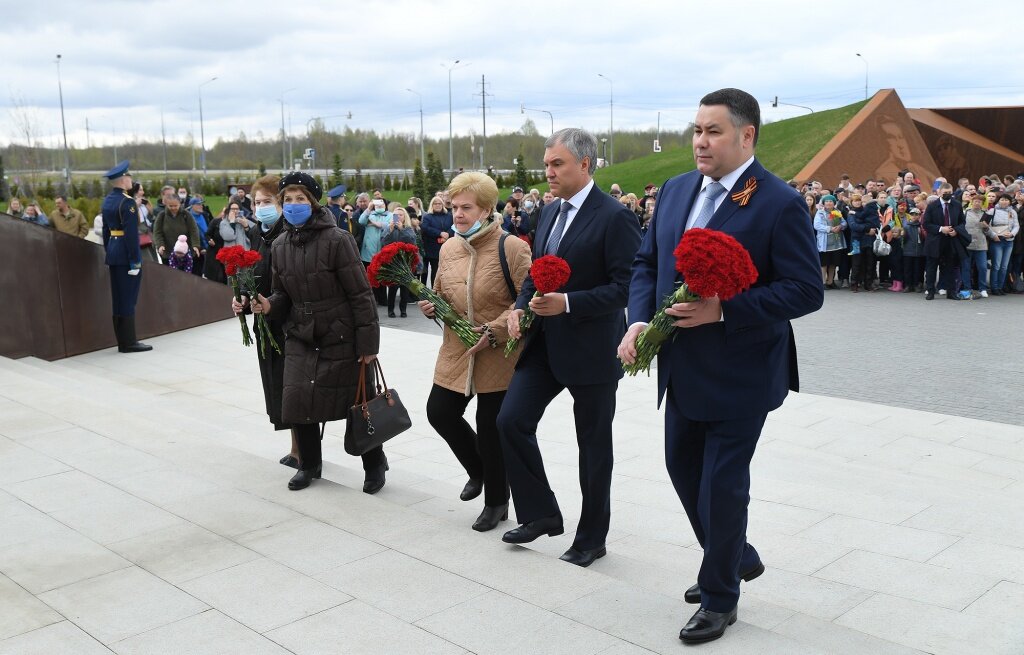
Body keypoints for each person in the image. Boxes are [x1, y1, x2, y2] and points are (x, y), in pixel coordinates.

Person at [619, 88, 823, 644]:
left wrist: (724, 310)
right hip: (679, 365)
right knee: (682, 469)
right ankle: (736, 554)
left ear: (747, 135)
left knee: (723, 484)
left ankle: (719, 596)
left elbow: (806, 291)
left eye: (713, 131)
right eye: (697, 130)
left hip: (743, 369)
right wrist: (638, 322)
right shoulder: (679, 189)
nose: (700, 142)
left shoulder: (777, 201)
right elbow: (647, 264)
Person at [496, 128, 641, 568]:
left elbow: (625, 287)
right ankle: (541, 513)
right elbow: (535, 275)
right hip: (544, 342)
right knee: (511, 420)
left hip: (593, 350)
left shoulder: (615, 217)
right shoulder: (549, 212)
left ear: (585, 164)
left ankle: (592, 537)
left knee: (593, 446)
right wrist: (521, 306)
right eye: (546, 164)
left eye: (557, 164)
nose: (549, 172)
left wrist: (570, 303)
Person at [250, 172, 387, 493]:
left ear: (312, 203)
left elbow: (360, 295)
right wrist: (268, 305)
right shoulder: (281, 244)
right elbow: (282, 293)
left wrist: (369, 344)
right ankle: (309, 464)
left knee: (358, 405)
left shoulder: (338, 240)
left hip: (340, 336)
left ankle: (375, 462)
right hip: (300, 335)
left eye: (300, 199)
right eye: (288, 200)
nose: (293, 205)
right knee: (298, 401)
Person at [419, 172, 532, 532]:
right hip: (457, 349)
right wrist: (432, 305)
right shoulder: (448, 248)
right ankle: (480, 471)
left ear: (486, 209)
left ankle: (497, 502)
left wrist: (496, 330)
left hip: (498, 354)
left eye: (466, 208)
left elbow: (526, 301)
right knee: (439, 411)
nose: (458, 214)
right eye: (454, 207)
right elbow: (439, 290)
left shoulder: (511, 246)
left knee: (490, 426)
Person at [230, 175, 303, 472]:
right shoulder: (261, 236)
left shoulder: (289, 234)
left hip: (288, 322)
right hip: (267, 323)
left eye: (267, 202)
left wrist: (269, 302)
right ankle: (297, 447)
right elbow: (257, 276)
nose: (261, 208)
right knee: (279, 386)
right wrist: (244, 300)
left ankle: (303, 450)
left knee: (293, 387)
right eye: (256, 202)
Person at [100, 161, 152, 353]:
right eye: (129, 177)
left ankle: (123, 341)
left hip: (114, 253)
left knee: (118, 298)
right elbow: (131, 235)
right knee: (128, 298)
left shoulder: (108, 200)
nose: (131, 180)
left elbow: (106, 231)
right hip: (126, 255)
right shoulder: (127, 202)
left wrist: (109, 250)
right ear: (123, 179)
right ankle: (129, 342)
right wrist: (135, 261)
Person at [923, 182, 969, 300]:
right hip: (935, 241)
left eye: (949, 193)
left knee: (950, 267)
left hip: (951, 241)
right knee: (932, 267)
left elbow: (962, 222)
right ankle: (930, 291)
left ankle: (951, 292)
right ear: (939, 192)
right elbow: (926, 224)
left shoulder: (957, 205)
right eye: (945, 193)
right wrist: (940, 229)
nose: (947, 195)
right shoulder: (932, 206)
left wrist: (956, 230)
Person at [382, 206, 417, 317]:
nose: (398, 217)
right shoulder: (388, 228)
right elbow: (383, 242)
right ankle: (390, 310)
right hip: (393, 261)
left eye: (400, 215)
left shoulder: (408, 228)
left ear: (404, 217)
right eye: (396, 215)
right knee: (392, 287)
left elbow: (412, 241)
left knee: (405, 287)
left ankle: (403, 310)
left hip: (405, 261)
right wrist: (390, 231)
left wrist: (402, 229)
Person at [985, 193, 1019, 295]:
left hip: (1009, 242)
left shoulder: (1013, 212)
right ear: (998, 200)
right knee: (996, 266)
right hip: (997, 241)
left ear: (1010, 201)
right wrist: (993, 235)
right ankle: (994, 287)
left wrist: (1012, 234)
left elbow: (1016, 226)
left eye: (1006, 200)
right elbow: (986, 226)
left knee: (1004, 266)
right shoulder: (992, 211)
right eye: (1002, 199)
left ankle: (1000, 287)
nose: (1004, 201)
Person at [359, 197, 391, 306]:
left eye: (382, 204)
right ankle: (372, 299)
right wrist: (368, 209)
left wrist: (376, 224)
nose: (379, 206)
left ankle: (383, 299)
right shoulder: (370, 214)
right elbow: (361, 221)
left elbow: (392, 225)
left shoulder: (391, 215)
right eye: (377, 204)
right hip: (368, 251)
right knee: (370, 275)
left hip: (383, 250)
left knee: (382, 275)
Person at [152, 195, 201, 263]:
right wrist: (160, 245)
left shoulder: (186, 214)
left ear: (180, 204)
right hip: (168, 253)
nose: (173, 208)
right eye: (170, 206)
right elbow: (157, 232)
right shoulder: (161, 216)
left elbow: (193, 231)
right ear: (166, 205)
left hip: (185, 253)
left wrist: (195, 245)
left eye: (175, 206)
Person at [813, 194, 846, 289]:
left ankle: (830, 281)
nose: (828, 203)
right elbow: (817, 225)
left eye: (831, 201)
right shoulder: (820, 213)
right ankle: (823, 282)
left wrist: (840, 226)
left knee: (833, 263)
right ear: (823, 203)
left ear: (834, 203)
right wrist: (830, 228)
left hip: (836, 242)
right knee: (824, 263)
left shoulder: (837, 212)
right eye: (826, 201)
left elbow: (844, 222)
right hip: (824, 242)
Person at [420, 196, 453, 286]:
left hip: (447, 246)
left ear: (443, 205)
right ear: (432, 205)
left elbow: (454, 227)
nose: (438, 205)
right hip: (432, 248)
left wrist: (447, 234)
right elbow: (425, 228)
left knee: (447, 271)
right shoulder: (428, 217)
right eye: (435, 203)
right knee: (435, 270)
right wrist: (439, 233)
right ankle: (435, 291)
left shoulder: (449, 216)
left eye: (440, 203)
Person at [962, 195, 991, 298]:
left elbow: (988, 232)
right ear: (971, 202)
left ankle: (982, 288)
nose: (977, 203)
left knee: (982, 267)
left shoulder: (985, 215)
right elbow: (960, 227)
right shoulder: (965, 213)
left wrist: (987, 228)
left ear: (982, 204)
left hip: (981, 245)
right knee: (966, 267)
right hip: (967, 244)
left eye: (979, 202)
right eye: (975, 201)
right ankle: (967, 288)